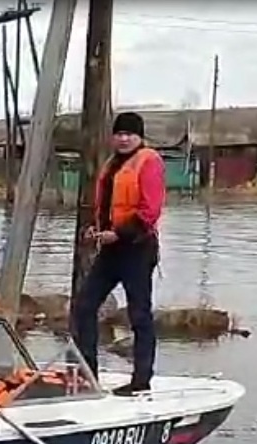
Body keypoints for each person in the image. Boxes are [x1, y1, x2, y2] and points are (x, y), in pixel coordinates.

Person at [71, 111, 167, 397]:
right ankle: (89, 373)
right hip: (111, 248)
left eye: (130, 134)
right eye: (119, 134)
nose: (124, 139)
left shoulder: (149, 162)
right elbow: (104, 207)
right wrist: (94, 229)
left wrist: (120, 233)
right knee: (84, 305)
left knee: (139, 314)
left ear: (140, 137)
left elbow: (150, 211)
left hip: (137, 247)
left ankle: (141, 380)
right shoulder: (111, 164)